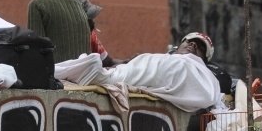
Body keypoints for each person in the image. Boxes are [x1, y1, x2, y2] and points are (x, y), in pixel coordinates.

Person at [54, 30, 224, 112]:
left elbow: (210, 94)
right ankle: (97, 74)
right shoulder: (165, 58)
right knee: (122, 73)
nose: (193, 45)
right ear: (178, 45)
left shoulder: (205, 75)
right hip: (152, 67)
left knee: (112, 76)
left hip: (174, 72)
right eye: (190, 41)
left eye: (200, 47)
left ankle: (96, 74)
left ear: (204, 60)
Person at [73, 0, 127, 67]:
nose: (92, 23)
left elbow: (108, 62)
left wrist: (129, 63)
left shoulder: (91, 37)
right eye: (88, 19)